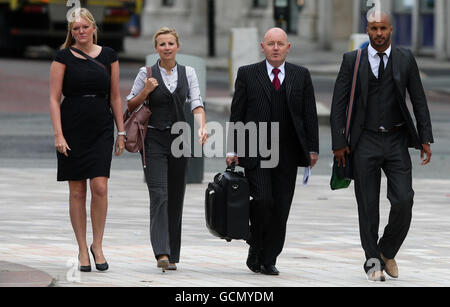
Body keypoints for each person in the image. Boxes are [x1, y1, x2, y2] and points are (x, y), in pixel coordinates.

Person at [330, 12, 433, 282]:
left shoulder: (404, 58)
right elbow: (338, 105)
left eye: (383, 28)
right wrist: (339, 143)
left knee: (404, 200)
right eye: (374, 28)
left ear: (391, 30)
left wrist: (425, 137)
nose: (378, 33)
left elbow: (418, 99)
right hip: (364, 141)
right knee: (367, 206)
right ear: (367, 30)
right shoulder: (352, 60)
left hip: (397, 139)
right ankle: (372, 260)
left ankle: (387, 249)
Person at [226, 28, 319, 276]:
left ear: (288, 47)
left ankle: (269, 258)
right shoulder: (247, 74)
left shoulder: (301, 75)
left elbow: (310, 114)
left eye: (280, 44)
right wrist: (233, 147)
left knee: (281, 208)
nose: (275, 48)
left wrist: (312, 148)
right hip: (256, 151)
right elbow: (237, 114)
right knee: (263, 201)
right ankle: (255, 245)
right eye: (271, 44)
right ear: (262, 47)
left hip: (288, 152)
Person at [49, 8, 125, 272]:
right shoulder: (62, 57)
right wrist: (58, 134)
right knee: (77, 190)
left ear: (93, 28)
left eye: (84, 27)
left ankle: (98, 245)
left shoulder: (109, 56)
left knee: (100, 187)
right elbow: (53, 98)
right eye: (75, 28)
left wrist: (122, 132)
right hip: (72, 127)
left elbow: (115, 97)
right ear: (71, 32)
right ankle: (82, 248)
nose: (80, 32)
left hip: (101, 126)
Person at [126, 27, 208, 272]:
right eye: (162, 44)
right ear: (156, 49)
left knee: (176, 197)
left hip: (180, 140)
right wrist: (145, 91)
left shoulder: (188, 72)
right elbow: (130, 104)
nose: (167, 47)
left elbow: (197, 103)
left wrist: (202, 128)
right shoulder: (146, 73)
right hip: (154, 140)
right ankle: (161, 252)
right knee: (159, 195)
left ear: (177, 46)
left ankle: (172, 254)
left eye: (171, 43)